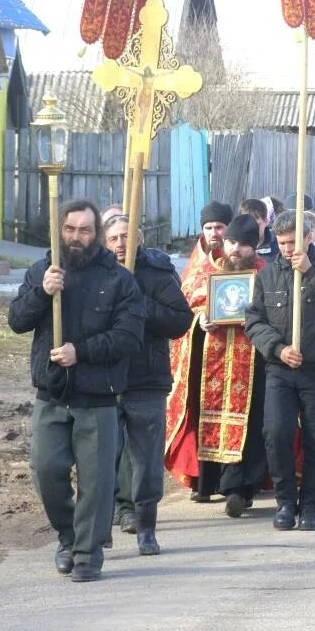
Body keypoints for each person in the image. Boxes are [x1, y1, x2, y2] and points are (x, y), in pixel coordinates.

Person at [8, 199, 145, 583]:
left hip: (97, 395)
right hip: (51, 393)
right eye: (70, 230)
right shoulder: (43, 270)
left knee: (97, 482)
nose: (77, 237)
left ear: (96, 234)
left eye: (85, 230)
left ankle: (87, 555)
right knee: (46, 470)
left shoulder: (119, 280)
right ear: (60, 230)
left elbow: (129, 337)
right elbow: (16, 320)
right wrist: (41, 291)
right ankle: (69, 537)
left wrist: (80, 352)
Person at [245, 210, 315, 531]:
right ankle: (286, 502)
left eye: (293, 242)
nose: (287, 249)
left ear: (309, 236)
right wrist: (278, 349)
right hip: (280, 370)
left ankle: (310, 507)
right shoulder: (268, 273)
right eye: (281, 242)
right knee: (276, 434)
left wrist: (309, 271)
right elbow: (254, 320)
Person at [165, 214, 267, 515]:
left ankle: (239, 489)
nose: (236, 250)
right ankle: (206, 482)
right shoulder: (205, 271)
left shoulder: (264, 274)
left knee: (250, 422)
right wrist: (202, 319)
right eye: (232, 242)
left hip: (253, 361)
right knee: (205, 416)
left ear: (255, 247)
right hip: (211, 356)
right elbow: (187, 306)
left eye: (244, 245)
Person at [102, 215, 191, 555]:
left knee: (146, 460)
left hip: (146, 380)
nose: (120, 243)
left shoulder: (156, 272)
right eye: (113, 238)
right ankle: (100, 525)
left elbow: (179, 320)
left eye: (126, 236)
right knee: (101, 457)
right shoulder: (97, 273)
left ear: (139, 237)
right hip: (105, 379)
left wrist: (138, 297)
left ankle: (146, 526)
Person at [184, 201, 233, 278]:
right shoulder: (197, 261)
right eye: (208, 228)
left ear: (230, 228)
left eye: (219, 227)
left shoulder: (240, 255)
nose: (213, 233)